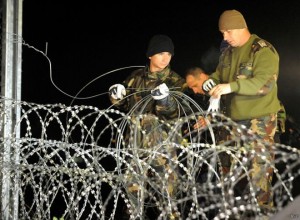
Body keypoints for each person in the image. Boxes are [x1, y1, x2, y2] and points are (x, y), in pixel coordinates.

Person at [202, 9, 281, 214]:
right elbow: (219, 75)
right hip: (232, 124)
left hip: (259, 123)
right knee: (232, 179)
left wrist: (232, 87)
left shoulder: (262, 50)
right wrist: (210, 82)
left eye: (228, 32)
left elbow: (265, 84)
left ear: (241, 27)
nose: (225, 37)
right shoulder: (227, 52)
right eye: (222, 34)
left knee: (258, 181)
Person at [108, 34, 189, 219]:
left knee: (168, 203)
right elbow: (123, 105)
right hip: (136, 147)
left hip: (165, 151)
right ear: (150, 55)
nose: (166, 58)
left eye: (169, 54)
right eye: (161, 53)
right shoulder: (135, 78)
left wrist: (165, 101)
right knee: (132, 203)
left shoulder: (176, 82)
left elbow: (178, 113)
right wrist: (116, 97)